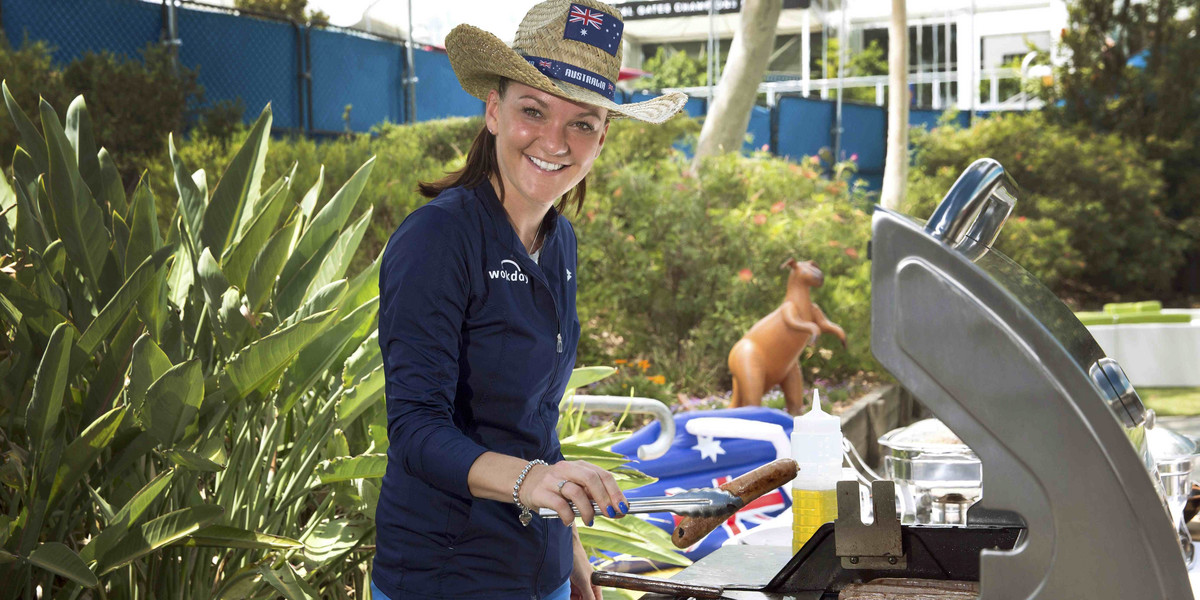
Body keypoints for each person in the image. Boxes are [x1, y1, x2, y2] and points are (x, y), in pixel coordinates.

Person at [373, 1, 686, 599]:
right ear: (494, 110)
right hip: (447, 576)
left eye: (582, 122)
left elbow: (535, 422)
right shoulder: (438, 239)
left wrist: (568, 550)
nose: (554, 141)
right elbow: (416, 431)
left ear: (602, 137)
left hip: (538, 570)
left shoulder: (558, 239)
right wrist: (533, 481)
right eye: (533, 110)